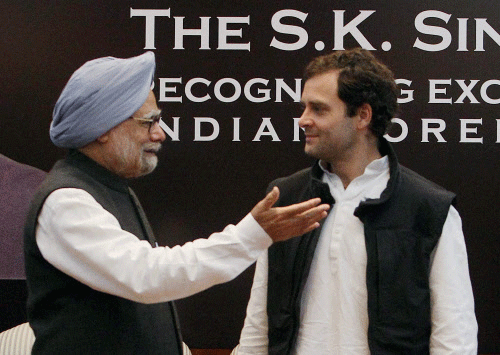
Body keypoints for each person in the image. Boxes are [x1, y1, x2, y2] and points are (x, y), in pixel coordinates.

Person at [23, 52, 330, 355]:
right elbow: (147, 276)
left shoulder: (110, 188)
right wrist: (250, 236)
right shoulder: (66, 202)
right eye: (149, 121)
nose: (160, 133)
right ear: (104, 128)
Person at [238, 48, 477, 354]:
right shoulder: (285, 198)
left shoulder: (429, 209)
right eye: (303, 107)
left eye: (319, 109)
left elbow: (454, 334)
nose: (303, 120)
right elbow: (259, 323)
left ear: (363, 115)